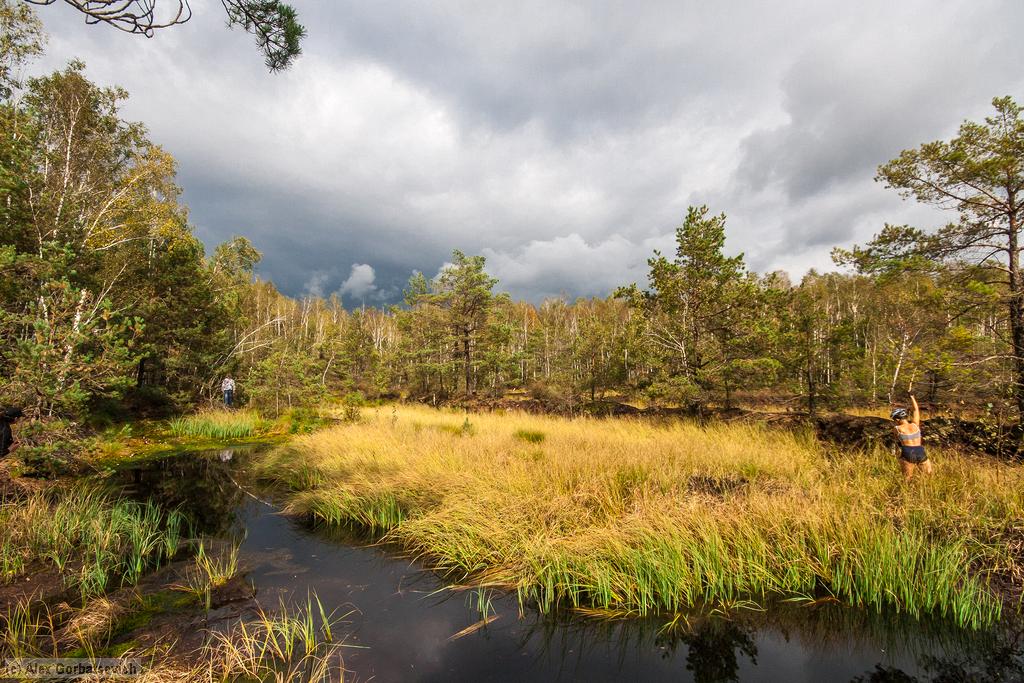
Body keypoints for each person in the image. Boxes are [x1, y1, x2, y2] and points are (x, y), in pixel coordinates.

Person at [891, 394, 932, 480]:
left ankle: (906, 492)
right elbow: (916, 410)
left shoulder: (897, 428)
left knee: (907, 478)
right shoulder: (915, 425)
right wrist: (912, 397)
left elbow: (896, 441)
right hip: (920, 451)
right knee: (928, 476)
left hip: (907, 452)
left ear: (897, 419)